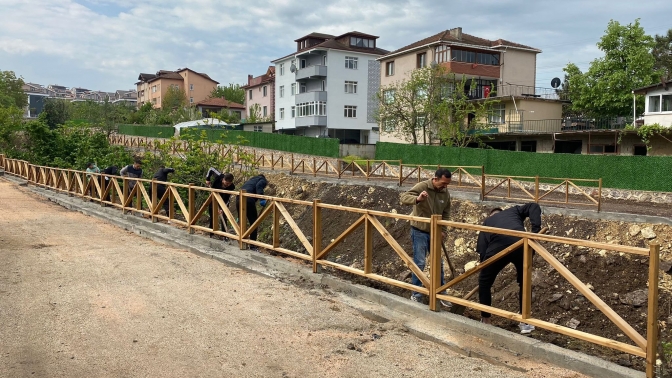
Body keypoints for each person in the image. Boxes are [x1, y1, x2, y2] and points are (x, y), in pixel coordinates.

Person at [476, 203, 542, 334]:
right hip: (523, 244)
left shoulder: (487, 222)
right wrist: (535, 231)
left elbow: (482, 249)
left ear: (491, 215)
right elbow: (534, 206)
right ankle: (525, 322)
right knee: (524, 282)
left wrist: (485, 269)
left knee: (484, 283)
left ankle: (486, 320)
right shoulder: (514, 211)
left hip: (498, 247)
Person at [400, 168, 452, 306]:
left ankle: (441, 293)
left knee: (438, 263)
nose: (445, 186)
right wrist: (417, 199)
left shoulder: (445, 193)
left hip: (435, 232)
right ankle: (416, 293)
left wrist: (443, 230)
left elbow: (446, 212)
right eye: (443, 183)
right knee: (420, 262)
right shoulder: (423, 186)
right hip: (419, 230)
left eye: (447, 184)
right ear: (435, 179)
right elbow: (404, 198)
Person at [238, 174, 268, 250]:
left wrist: (238, 215)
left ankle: (241, 241)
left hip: (238, 198)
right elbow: (259, 186)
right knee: (254, 223)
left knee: (241, 221)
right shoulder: (262, 180)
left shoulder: (250, 180)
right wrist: (262, 199)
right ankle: (252, 245)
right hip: (248, 198)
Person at [205, 167, 235, 235]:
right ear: (223, 179)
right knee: (212, 215)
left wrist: (222, 208)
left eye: (229, 184)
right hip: (213, 197)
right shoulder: (219, 176)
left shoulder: (231, 187)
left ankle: (224, 235)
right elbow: (211, 169)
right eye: (226, 183)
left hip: (223, 200)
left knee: (224, 216)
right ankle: (211, 233)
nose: (227, 185)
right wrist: (207, 179)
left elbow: (228, 198)